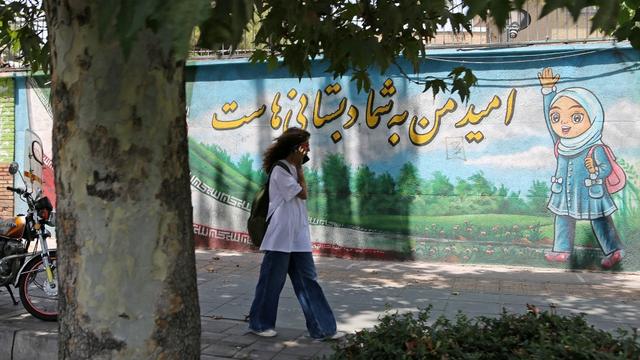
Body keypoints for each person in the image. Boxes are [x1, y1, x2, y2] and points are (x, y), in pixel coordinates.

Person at [248, 127, 344, 340]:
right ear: (296, 147)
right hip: (280, 237)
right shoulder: (280, 169)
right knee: (271, 282)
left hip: (298, 238)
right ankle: (259, 324)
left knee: (308, 281)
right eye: (305, 144)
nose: (309, 148)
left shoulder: (291, 168)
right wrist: (300, 169)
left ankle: (323, 329)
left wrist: (298, 168)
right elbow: (303, 193)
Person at [537, 67, 624, 269]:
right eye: (557, 118)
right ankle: (561, 249)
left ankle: (614, 250)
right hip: (565, 192)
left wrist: (595, 169)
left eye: (576, 118)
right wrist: (548, 92)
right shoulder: (562, 144)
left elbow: (606, 169)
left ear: (593, 117)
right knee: (563, 217)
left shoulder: (595, 146)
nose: (564, 124)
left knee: (600, 220)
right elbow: (550, 123)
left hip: (590, 192)